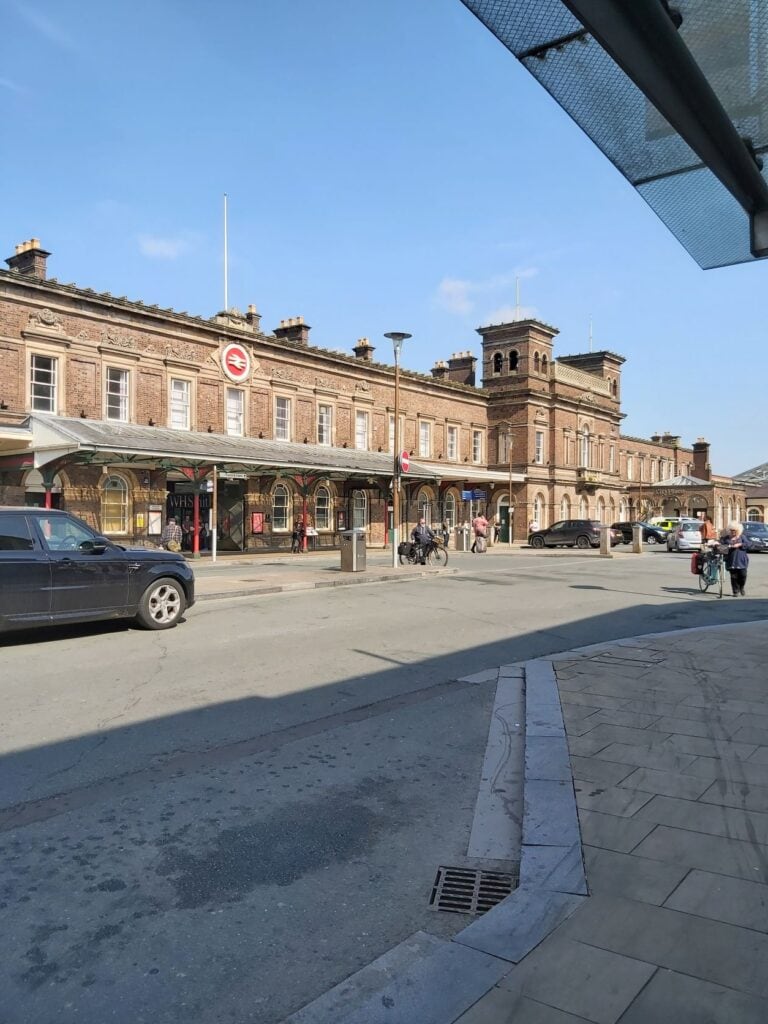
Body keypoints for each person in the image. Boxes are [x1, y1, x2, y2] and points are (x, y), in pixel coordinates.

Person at [724, 521, 749, 596]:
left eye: (734, 531)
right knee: (733, 577)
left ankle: (741, 587)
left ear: (738, 531)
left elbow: (749, 544)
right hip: (731, 559)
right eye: (731, 530)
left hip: (741, 559)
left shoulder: (742, 537)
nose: (733, 532)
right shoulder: (726, 538)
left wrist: (740, 544)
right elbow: (721, 544)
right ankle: (735, 591)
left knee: (743, 575)